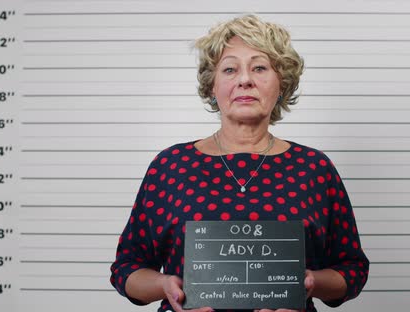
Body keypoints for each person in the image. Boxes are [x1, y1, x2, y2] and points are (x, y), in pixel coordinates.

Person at [110, 14, 369, 312]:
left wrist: (311, 282)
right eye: (230, 69)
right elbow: (127, 267)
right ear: (212, 86)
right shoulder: (170, 166)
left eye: (259, 67)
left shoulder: (314, 168)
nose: (245, 79)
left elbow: (352, 268)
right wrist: (164, 286)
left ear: (281, 83)